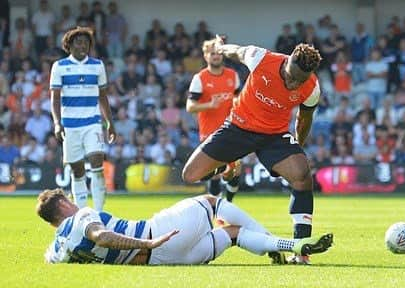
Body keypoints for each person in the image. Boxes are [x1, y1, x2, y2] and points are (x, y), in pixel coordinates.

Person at [182, 35, 324, 264]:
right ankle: (228, 168)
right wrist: (220, 47)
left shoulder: (312, 87)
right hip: (238, 127)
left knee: (302, 175)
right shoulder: (261, 58)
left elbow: (304, 118)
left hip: (274, 136)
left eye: (299, 81)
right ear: (287, 61)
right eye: (291, 77)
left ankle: (301, 253)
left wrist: (298, 146)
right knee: (190, 175)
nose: (293, 84)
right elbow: (235, 50)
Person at [37, 188, 333, 265]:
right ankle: (277, 241)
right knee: (212, 202)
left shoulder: (60, 248)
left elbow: (49, 258)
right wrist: (146, 243)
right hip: (158, 235)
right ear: (63, 204)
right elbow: (100, 236)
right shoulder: (81, 216)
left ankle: (289, 247)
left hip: (168, 261)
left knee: (231, 235)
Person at [50, 27, 116, 211]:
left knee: (97, 161)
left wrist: (109, 123)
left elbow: (103, 96)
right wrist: (57, 123)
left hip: (92, 122)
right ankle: (81, 212)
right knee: (77, 170)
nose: (83, 46)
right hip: (70, 126)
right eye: (79, 42)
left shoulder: (97, 65)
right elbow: (54, 98)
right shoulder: (59, 67)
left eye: (86, 43)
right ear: (69, 45)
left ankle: (100, 212)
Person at [187, 39, 242, 202]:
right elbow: (190, 106)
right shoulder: (200, 78)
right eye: (212, 53)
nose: (216, 56)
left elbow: (239, 98)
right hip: (209, 133)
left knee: (235, 171)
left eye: (218, 52)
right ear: (205, 56)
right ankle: (216, 211)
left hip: (233, 130)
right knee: (216, 174)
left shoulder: (233, 75)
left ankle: (229, 204)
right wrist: (209, 104)